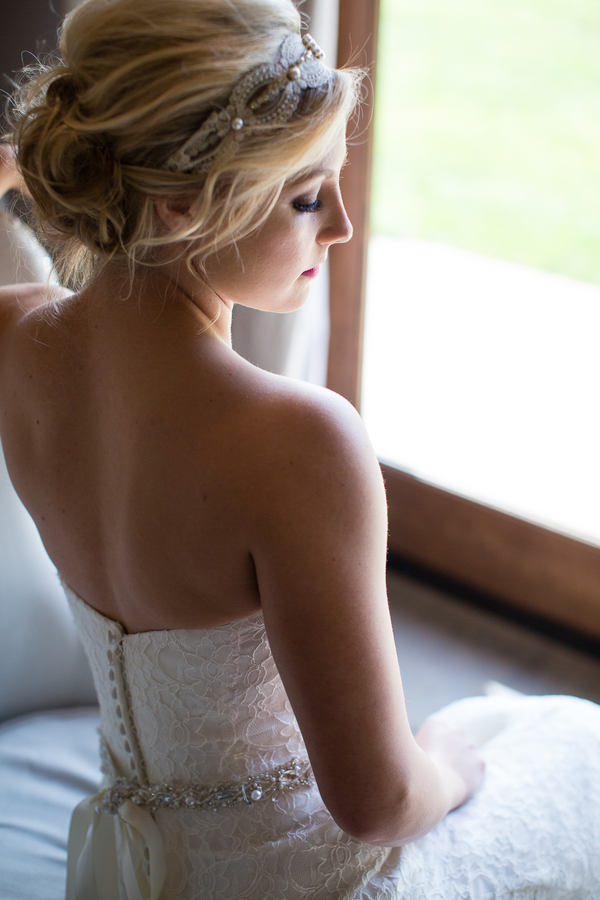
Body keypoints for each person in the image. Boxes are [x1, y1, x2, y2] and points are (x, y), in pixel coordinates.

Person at [2, 0, 600, 897]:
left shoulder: (17, 342)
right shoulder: (295, 443)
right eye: (307, 196)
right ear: (175, 205)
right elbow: (380, 805)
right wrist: (446, 765)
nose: (343, 228)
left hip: (133, 869)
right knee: (571, 747)